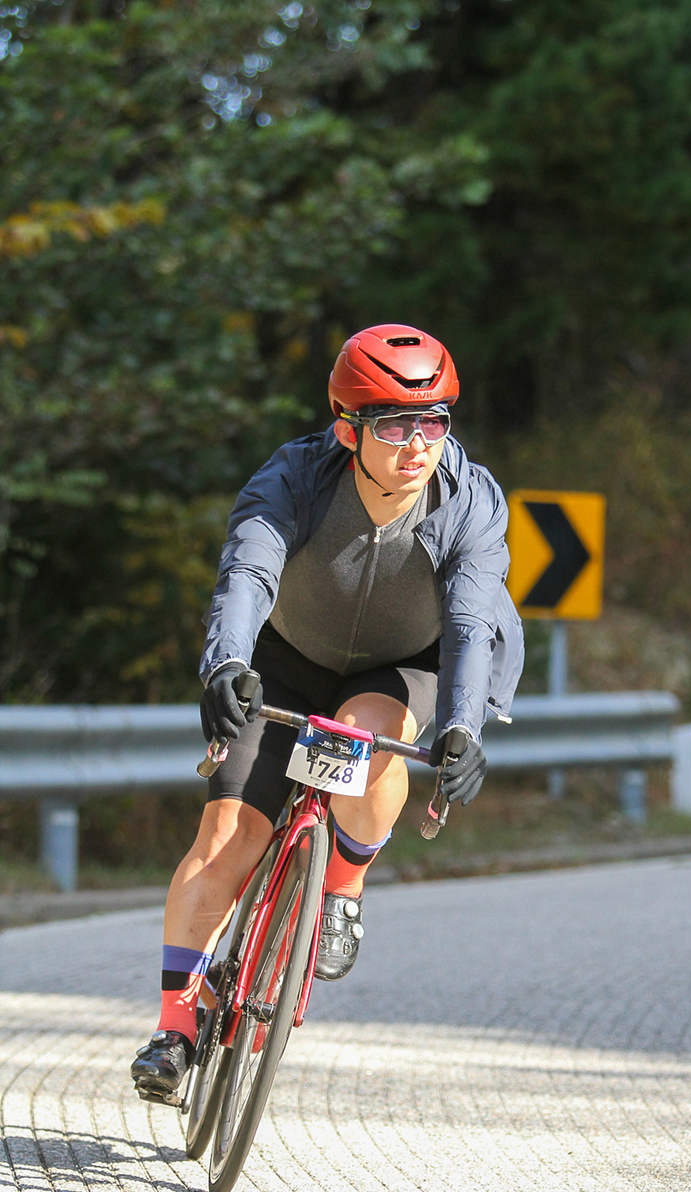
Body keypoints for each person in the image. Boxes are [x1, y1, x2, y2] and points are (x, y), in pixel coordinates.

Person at [129, 323, 524, 1102]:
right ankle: (174, 1029)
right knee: (226, 836)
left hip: (400, 666)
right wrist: (227, 665)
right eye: (395, 426)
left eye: (433, 423)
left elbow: (470, 623)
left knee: (369, 735)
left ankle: (341, 882)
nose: (418, 445)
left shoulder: (470, 501)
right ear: (349, 429)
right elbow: (247, 573)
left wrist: (461, 727)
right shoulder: (296, 477)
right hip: (286, 659)